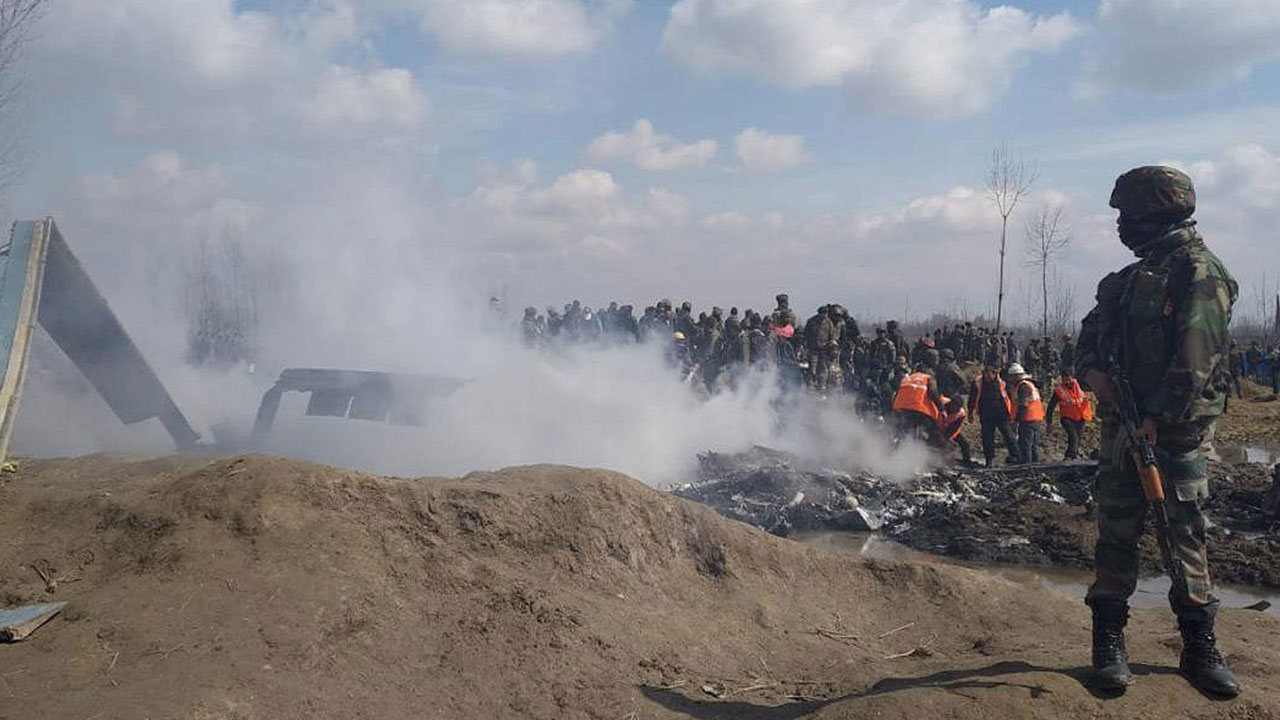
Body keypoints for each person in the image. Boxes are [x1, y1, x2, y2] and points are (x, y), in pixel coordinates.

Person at [1076, 165, 1239, 696]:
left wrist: (1157, 416)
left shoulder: (1198, 272)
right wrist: (1093, 374)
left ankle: (1199, 646)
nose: (1121, 225)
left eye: (1127, 214)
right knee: (1116, 534)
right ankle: (1109, 642)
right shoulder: (1124, 280)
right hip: (1122, 428)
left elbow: (1197, 360)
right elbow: (1089, 338)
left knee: (1183, 536)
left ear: (1154, 211)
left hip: (1174, 433)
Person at [968, 365, 1020, 466]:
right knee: (987, 438)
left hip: (1002, 414)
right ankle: (989, 460)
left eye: (989, 375)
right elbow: (972, 397)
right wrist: (970, 412)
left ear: (994, 374)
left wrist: (1015, 415)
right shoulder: (978, 382)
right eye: (985, 374)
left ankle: (1016, 456)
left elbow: (1012, 398)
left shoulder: (1003, 382)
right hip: (986, 414)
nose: (987, 377)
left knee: (1009, 436)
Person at [1046, 370, 1093, 460]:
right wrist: (1049, 421)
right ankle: (1071, 456)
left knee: (1077, 437)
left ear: (1072, 377)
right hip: (1067, 417)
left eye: (1068, 378)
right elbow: (1051, 406)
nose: (1066, 380)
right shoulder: (1059, 390)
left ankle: (1071, 455)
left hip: (1081, 416)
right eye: (1064, 378)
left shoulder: (1081, 387)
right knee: (1073, 436)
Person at [893, 360, 943, 444]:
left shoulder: (908, 377)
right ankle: (937, 451)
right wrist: (941, 408)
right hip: (919, 408)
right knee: (934, 431)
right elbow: (933, 393)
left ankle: (892, 447)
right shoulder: (928, 378)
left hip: (901, 407)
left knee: (902, 430)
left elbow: (898, 392)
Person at [1008, 363, 1045, 463]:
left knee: (1025, 445)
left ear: (1016, 376)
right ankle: (1035, 466)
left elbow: (1023, 405)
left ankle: (1027, 467)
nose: (1010, 379)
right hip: (1036, 418)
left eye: (1011, 377)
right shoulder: (1029, 384)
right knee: (1033, 445)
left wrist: (1016, 421)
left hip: (1027, 419)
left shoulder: (1023, 386)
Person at [939, 397, 973, 464]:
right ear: (951, 403)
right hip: (936, 427)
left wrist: (947, 439)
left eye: (958, 407)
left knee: (965, 444)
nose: (956, 409)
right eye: (955, 406)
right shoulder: (941, 403)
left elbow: (953, 429)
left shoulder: (960, 413)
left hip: (950, 428)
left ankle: (967, 461)